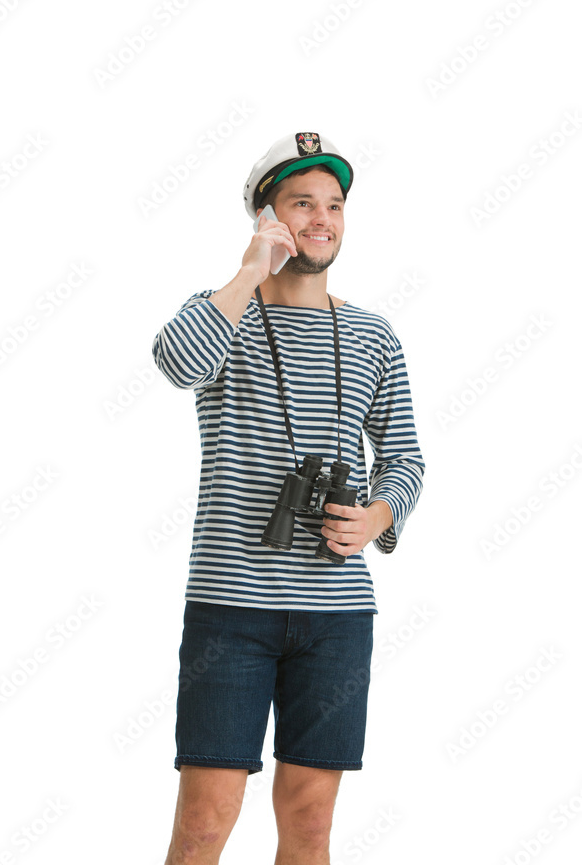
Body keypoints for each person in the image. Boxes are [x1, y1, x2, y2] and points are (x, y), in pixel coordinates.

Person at [152, 131, 425, 865]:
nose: (321, 219)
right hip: (231, 606)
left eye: (333, 205)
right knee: (204, 821)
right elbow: (175, 364)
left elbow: (403, 458)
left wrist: (376, 516)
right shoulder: (221, 313)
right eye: (301, 203)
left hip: (336, 614)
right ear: (267, 216)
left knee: (309, 823)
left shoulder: (372, 335)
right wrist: (250, 271)